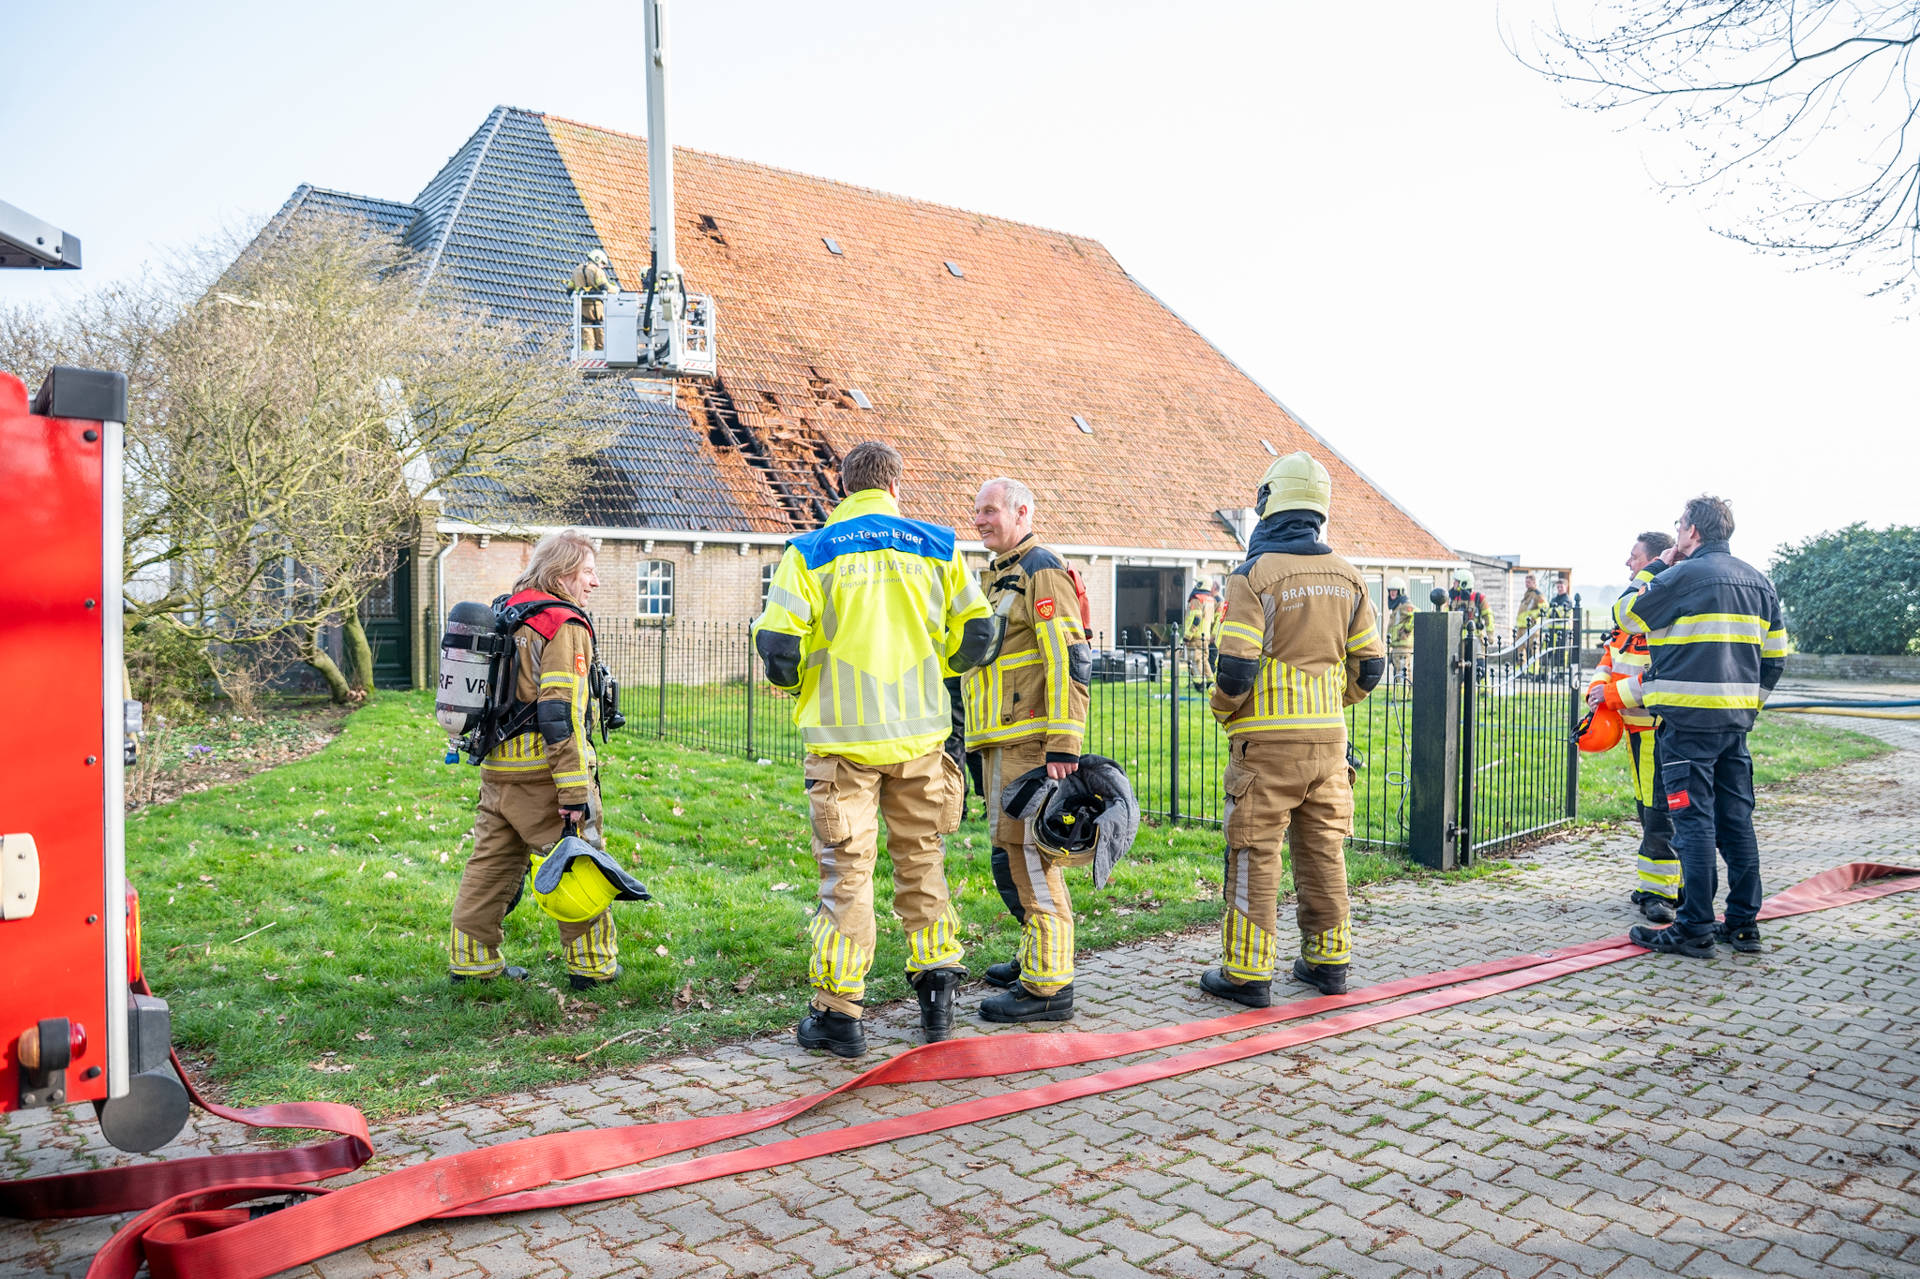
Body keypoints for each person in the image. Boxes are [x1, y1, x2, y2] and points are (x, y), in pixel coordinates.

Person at [752, 442, 995, 1054]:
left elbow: (778, 646)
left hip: (842, 741)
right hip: (922, 737)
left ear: (843, 485)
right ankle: (937, 993)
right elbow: (980, 632)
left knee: (847, 875)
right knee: (922, 861)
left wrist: (798, 684)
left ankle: (839, 1015)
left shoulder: (808, 553)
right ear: (895, 485)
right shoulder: (939, 547)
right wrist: (933, 668)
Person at [1203, 451, 1385, 1005]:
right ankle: (1328, 964)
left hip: (1266, 748)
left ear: (1268, 503)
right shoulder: (1349, 576)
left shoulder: (1253, 575)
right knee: (1324, 852)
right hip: (1330, 744)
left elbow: (1235, 666)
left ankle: (1247, 974)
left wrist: (1223, 707)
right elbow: (1371, 667)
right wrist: (1334, 701)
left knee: (1254, 853)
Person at [1617, 496, 1790, 957]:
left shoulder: (1681, 575)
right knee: (1736, 822)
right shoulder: (1760, 582)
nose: (1676, 535)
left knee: (1691, 822)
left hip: (1686, 723)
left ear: (1693, 532)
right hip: (1734, 724)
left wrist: (1655, 565)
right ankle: (1743, 925)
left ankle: (1693, 926)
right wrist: (1748, 706)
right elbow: (1775, 658)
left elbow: (1627, 615)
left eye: (1679, 527)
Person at [449, 530, 619, 990]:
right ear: (563, 573)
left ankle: (472, 961)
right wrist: (574, 791)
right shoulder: (563, 625)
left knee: (489, 865)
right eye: (588, 572)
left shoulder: (507, 612)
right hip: (545, 774)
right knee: (580, 862)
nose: (594, 582)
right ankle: (593, 965)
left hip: (497, 768)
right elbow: (559, 712)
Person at [964, 476, 1094, 1023]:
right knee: (1007, 857)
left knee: (1029, 860)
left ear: (1022, 512)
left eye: (991, 510)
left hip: (1029, 743)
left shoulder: (1040, 569)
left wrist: (1062, 744)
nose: (980, 520)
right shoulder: (1002, 576)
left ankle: (1048, 988)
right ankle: (1036, 958)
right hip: (999, 741)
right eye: (976, 512)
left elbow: (1070, 659)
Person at [1587, 531, 1680, 923]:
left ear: (1656, 561)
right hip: (1635, 732)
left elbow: (1657, 677)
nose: (1629, 564)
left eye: (1635, 557)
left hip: (1661, 730)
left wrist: (1610, 696)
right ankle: (1655, 886)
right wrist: (1596, 689)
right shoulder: (1632, 617)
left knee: (1661, 812)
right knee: (1647, 809)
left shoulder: (1666, 612)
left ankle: (1662, 894)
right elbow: (1610, 656)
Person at [568, 250, 615, 352]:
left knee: (587, 338)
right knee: (601, 337)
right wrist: (617, 290)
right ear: (597, 259)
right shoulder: (597, 271)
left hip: (582, 309)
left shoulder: (576, 270)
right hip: (597, 309)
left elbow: (569, 290)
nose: (603, 266)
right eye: (602, 263)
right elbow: (605, 287)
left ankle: (586, 357)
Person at [1183, 580, 1220, 690]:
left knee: (1195, 660)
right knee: (1204, 660)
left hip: (1195, 636)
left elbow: (1196, 619)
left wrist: (1187, 636)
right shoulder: (1210, 600)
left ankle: (1198, 685)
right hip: (1206, 636)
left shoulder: (1196, 599)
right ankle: (1210, 682)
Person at [1385, 576, 1416, 681]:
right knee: (1402, 672)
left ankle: (1401, 697)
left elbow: (1416, 614)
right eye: (1390, 591)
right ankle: (1407, 696)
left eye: (1395, 591)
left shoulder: (1405, 605)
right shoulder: (1397, 606)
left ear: (1401, 592)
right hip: (1397, 647)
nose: (1392, 594)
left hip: (1403, 646)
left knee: (1401, 674)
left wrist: (1406, 630)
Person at [1448, 569, 1493, 639]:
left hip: (1475, 639)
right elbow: (1444, 615)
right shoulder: (1451, 598)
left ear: (1463, 583)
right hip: (1455, 639)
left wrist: (1490, 635)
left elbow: (1488, 617)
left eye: (1456, 581)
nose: (1454, 583)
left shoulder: (1479, 598)